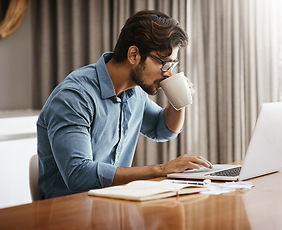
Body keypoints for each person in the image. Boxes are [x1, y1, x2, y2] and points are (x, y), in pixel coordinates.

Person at [37, 10, 213, 199]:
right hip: (68, 213)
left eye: (171, 65)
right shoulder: (74, 97)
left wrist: (180, 99)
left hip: (113, 204)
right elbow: (78, 175)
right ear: (134, 54)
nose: (168, 73)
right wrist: (162, 169)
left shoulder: (134, 92)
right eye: (164, 64)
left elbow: (161, 129)